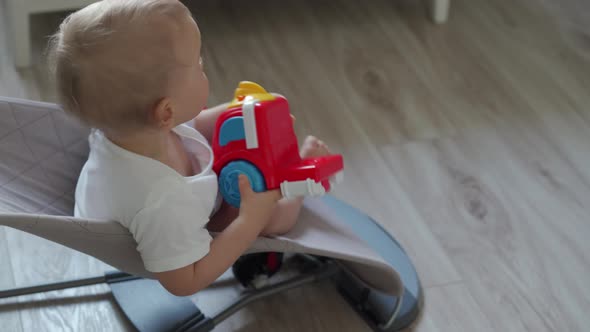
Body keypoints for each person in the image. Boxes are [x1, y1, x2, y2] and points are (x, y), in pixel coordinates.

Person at [48, 0, 331, 296]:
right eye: (199, 65)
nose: (203, 66)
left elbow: (193, 125)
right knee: (276, 216)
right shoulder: (162, 202)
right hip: (181, 235)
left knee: (225, 142)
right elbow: (188, 281)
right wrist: (251, 220)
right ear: (166, 112)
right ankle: (299, 184)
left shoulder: (131, 129)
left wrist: (250, 112)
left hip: (184, 203)